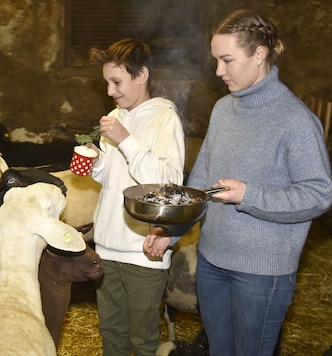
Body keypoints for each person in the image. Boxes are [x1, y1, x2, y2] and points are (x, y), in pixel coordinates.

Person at [143, 9, 332, 356]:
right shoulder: (222, 110)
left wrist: (249, 195)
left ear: (259, 54)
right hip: (212, 263)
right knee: (219, 350)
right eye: (216, 60)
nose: (219, 71)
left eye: (227, 60)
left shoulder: (296, 120)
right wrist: (172, 231)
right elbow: (200, 185)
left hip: (262, 274)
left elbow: (318, 195)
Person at [87, 39, 186, 355]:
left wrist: (126, 141)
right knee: (111, 332)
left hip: (142, 251)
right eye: (107, 83)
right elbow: (111, 178)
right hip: (107, 245)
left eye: (117, 82)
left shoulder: (164, 119)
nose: (110, 91)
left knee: (142, 338)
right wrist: (97, 161)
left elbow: (169, 185)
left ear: (141, 75)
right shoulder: (117, 116)